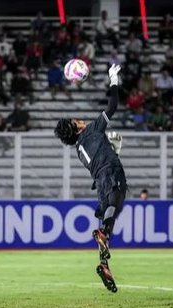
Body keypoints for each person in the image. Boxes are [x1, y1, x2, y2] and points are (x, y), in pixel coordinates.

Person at [54, 64, 125, 294]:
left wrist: (111, 148)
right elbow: (113, 106)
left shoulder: (78, 149)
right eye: (76, 120)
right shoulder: (92, 130)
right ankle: (104, 231)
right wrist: (113, 80)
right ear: (77, 128)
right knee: (117, 201)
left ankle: (104, 264)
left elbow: (97, 156)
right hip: (110, 172)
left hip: (100, 182)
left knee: (108, 212)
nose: (80, 119)